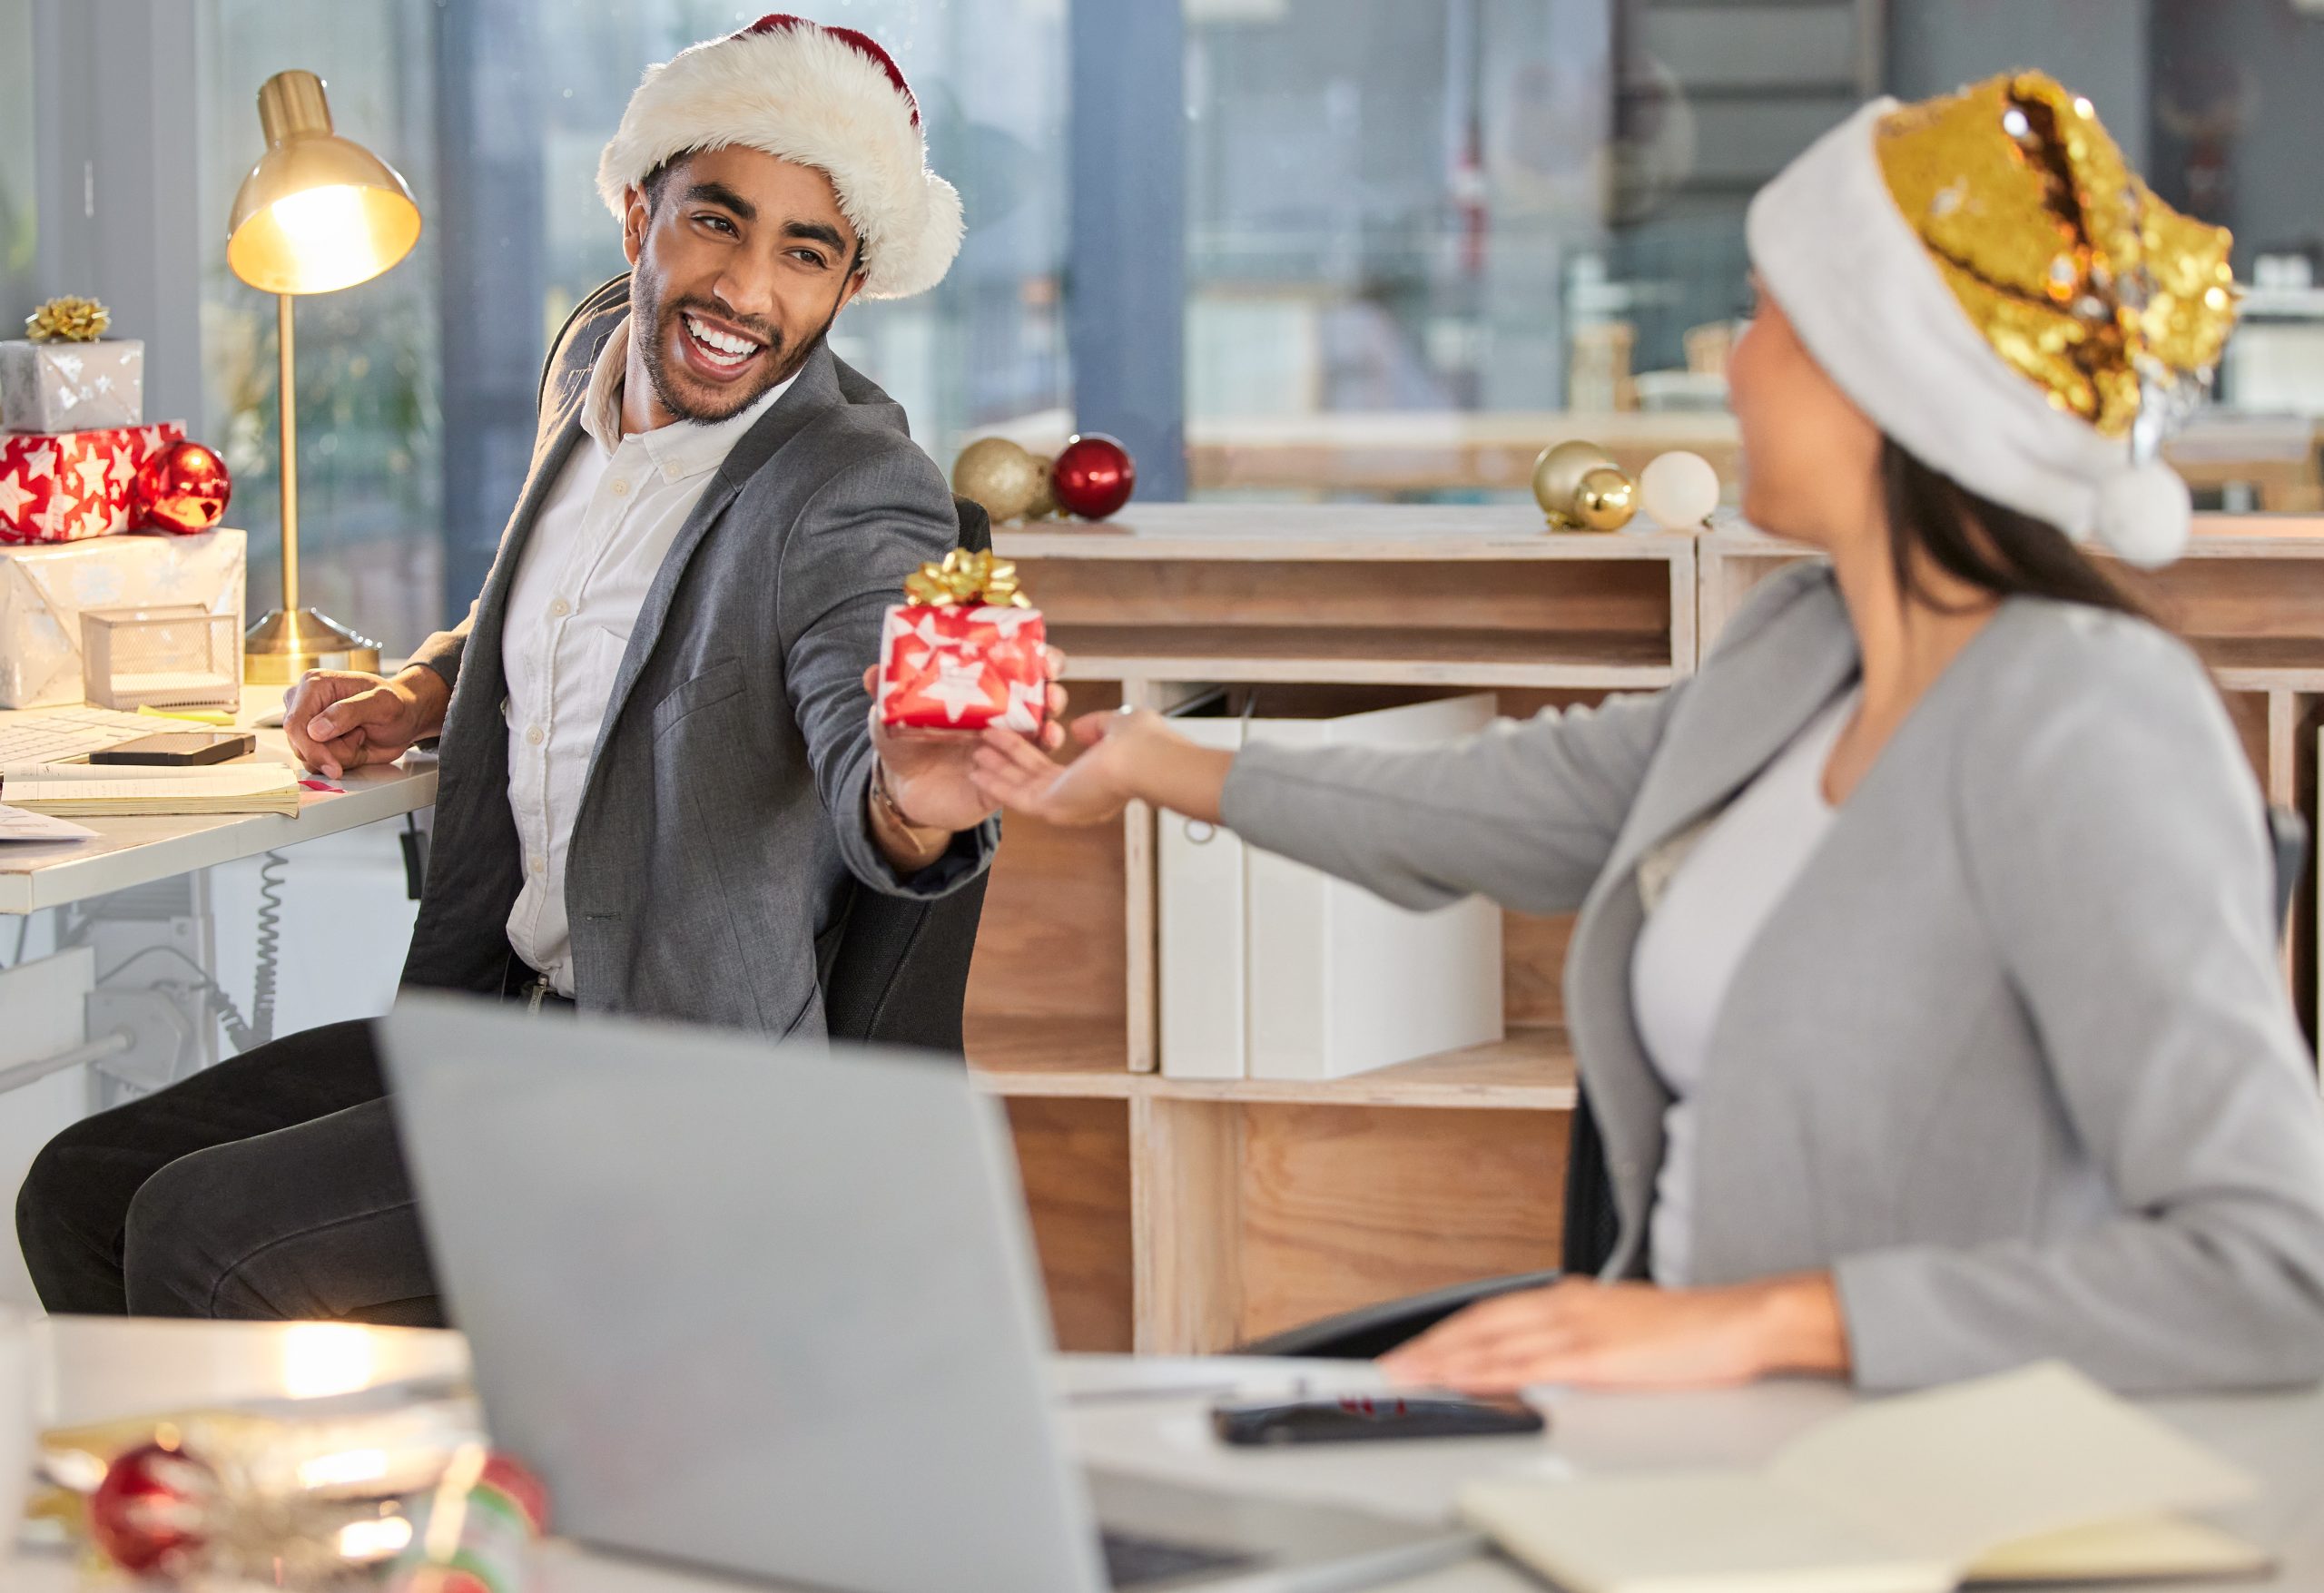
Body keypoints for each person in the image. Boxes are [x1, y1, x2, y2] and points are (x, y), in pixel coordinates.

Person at [970, 73, 2324, 1394]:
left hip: (1906, 1493)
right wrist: (1150, 765)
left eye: (1768, 320)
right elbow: (1517, 802)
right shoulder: (1809, 646)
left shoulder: (2086, 724)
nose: (1732, 366)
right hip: (1683, 1449)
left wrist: (1763, 1328)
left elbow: (2277, 1269)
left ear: (1886, 381)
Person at [15, 15, 1064, 1323]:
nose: (746, 290)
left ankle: (343, 1521)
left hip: (682, 1086)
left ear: (850, 286)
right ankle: (194, 1516)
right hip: (505, 1019)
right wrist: (430, 685)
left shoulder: (854, 494)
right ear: (640, 213)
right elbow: (575, 605)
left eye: (806, 253)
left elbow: (871, 754)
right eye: (716, 223)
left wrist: (909, 800)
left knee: (201, 1235)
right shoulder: (593, 355)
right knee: (79, 1185)